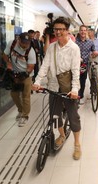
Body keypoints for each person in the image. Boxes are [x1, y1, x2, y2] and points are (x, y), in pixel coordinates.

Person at [32, 17, 82, 160]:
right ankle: (61, 134)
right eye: (56, 29)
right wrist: (37, 81)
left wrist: (75, 90)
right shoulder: (52, 47)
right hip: (54, 86)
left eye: (61, 29)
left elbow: (75, 71)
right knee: (55, 115)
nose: (58, 32)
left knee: (73, 117)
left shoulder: (74, 48)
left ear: (67, 31)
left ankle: (77, 144)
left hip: (68, 89)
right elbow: (45, 66)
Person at [2, 32, 36, 127]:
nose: (25, 45)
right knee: (14, 94)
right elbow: (4, 55)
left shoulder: (31, 51)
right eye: (23, 43)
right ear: (19, 40)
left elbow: (30, 67)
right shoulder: (12, 44)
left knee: (26, 96)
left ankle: (25, 116)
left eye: (27, 43)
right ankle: (20, 110)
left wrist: (24, 75)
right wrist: (8, 63)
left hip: (26, 75)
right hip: (14, 74)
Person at [76, 25, 98, 104]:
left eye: (84, 30)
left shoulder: (90, 42)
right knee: (75, 81)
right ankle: (75, 95)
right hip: (75, 65)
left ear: (86, 32)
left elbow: (94, 52)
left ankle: (81, 96)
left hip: (84, 65)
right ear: (79, 31)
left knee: (82, 81)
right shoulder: (75, 41)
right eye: (81, 30)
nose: (83, 32)